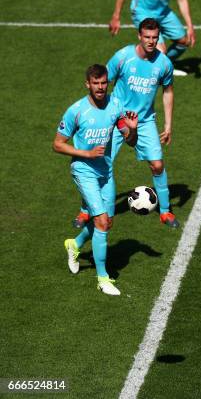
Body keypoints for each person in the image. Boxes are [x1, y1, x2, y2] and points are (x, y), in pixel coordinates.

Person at [73, 18, 180, 229]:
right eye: (147, 37)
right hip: (115, 120)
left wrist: (168, 125)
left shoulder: (164, 63)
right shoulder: (123, 57)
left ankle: (166, 211)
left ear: (158, 38)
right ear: (139, 36)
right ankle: (86, 210)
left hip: (144, 121)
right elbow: (103, 83)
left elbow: (168, 91)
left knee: (157, 164)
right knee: (98, 165)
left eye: (154, 38)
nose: (151, 41)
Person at [54, 64, 138, 296]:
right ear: (88, 84)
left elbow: (129, 141)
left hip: (106, 172)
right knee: (101, 221)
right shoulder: (76, 111)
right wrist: (87, 154)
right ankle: (102, 278)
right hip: (83, 170)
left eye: (104, 83)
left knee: (107, 223)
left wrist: (133, 129)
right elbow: (58, 144)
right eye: (96, 83)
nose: (100, 87)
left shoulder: (116, 106)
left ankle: (75, 244)